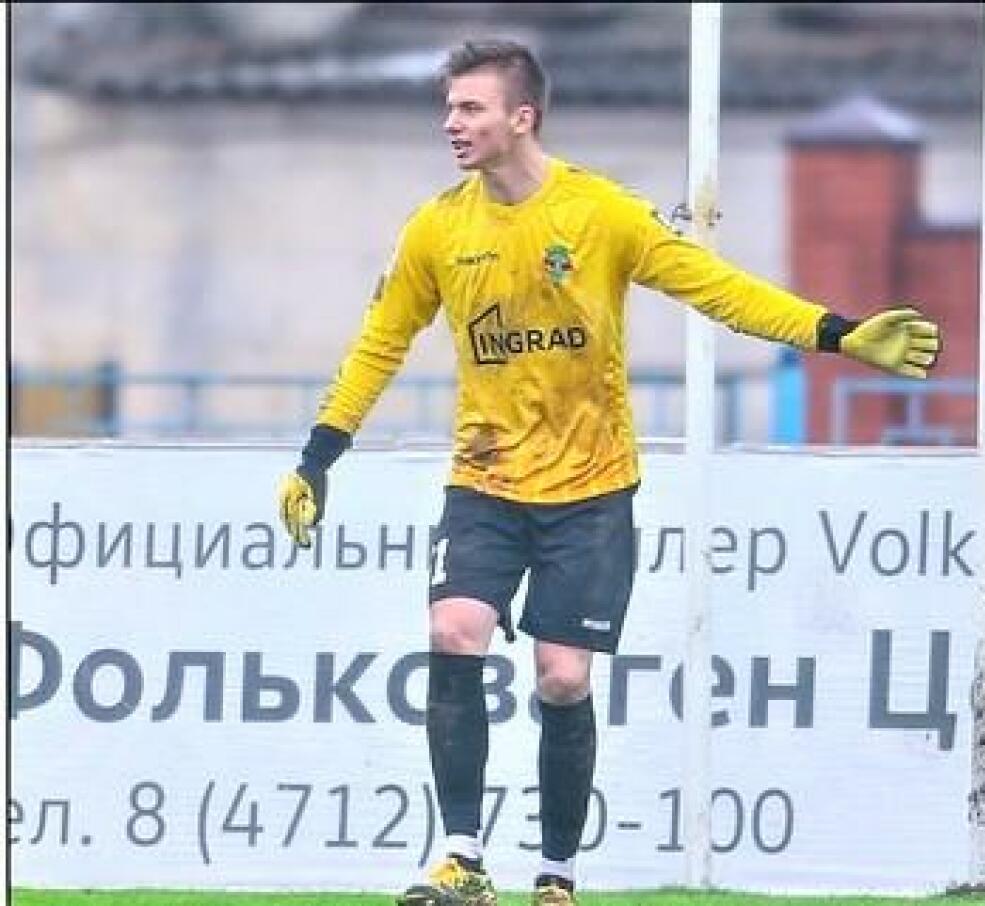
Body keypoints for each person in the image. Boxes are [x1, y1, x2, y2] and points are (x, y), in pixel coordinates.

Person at [277, 39, 941, 906]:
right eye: (449, 108)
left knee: (562, 677)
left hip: (591, 489)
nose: (451, 124)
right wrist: (319, 456)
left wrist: (835, 332)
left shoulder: (603, 214)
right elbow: (380, 344)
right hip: (484, 479)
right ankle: (461, 859)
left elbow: (716, 288)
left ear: (523, 117)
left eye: (470, 108)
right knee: (454, 630)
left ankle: (556, 874)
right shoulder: (437, 228)